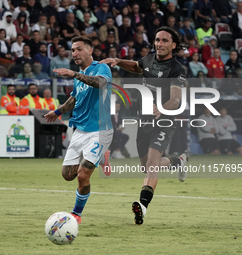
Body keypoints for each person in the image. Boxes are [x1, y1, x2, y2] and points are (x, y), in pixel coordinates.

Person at [100, 26, 189, 225]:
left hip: (165, 120)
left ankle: (142, 206)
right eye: (157, 40)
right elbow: (136, 66)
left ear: (173, 45)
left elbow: (175, 99)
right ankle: (179, 161)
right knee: (147, 166)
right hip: (145, 120)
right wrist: (117, 61)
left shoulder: (177, 69)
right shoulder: (149, 60)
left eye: (165, 40)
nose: (159, 44)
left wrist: (162, 109)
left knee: (152, 164)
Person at [44, 36, 113, 224]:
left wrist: (74, 74)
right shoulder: (79, 76)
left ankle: (76, 214)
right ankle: (102, 155)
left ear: (90, 51)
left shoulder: (101, 68)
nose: (74, 53)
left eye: (79, 49)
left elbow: (100, 83)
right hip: (80, 130)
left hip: (100, 130)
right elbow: (74, 99)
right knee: (68, 175)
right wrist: (57, 112)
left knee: (83, 174)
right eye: (73, 50)